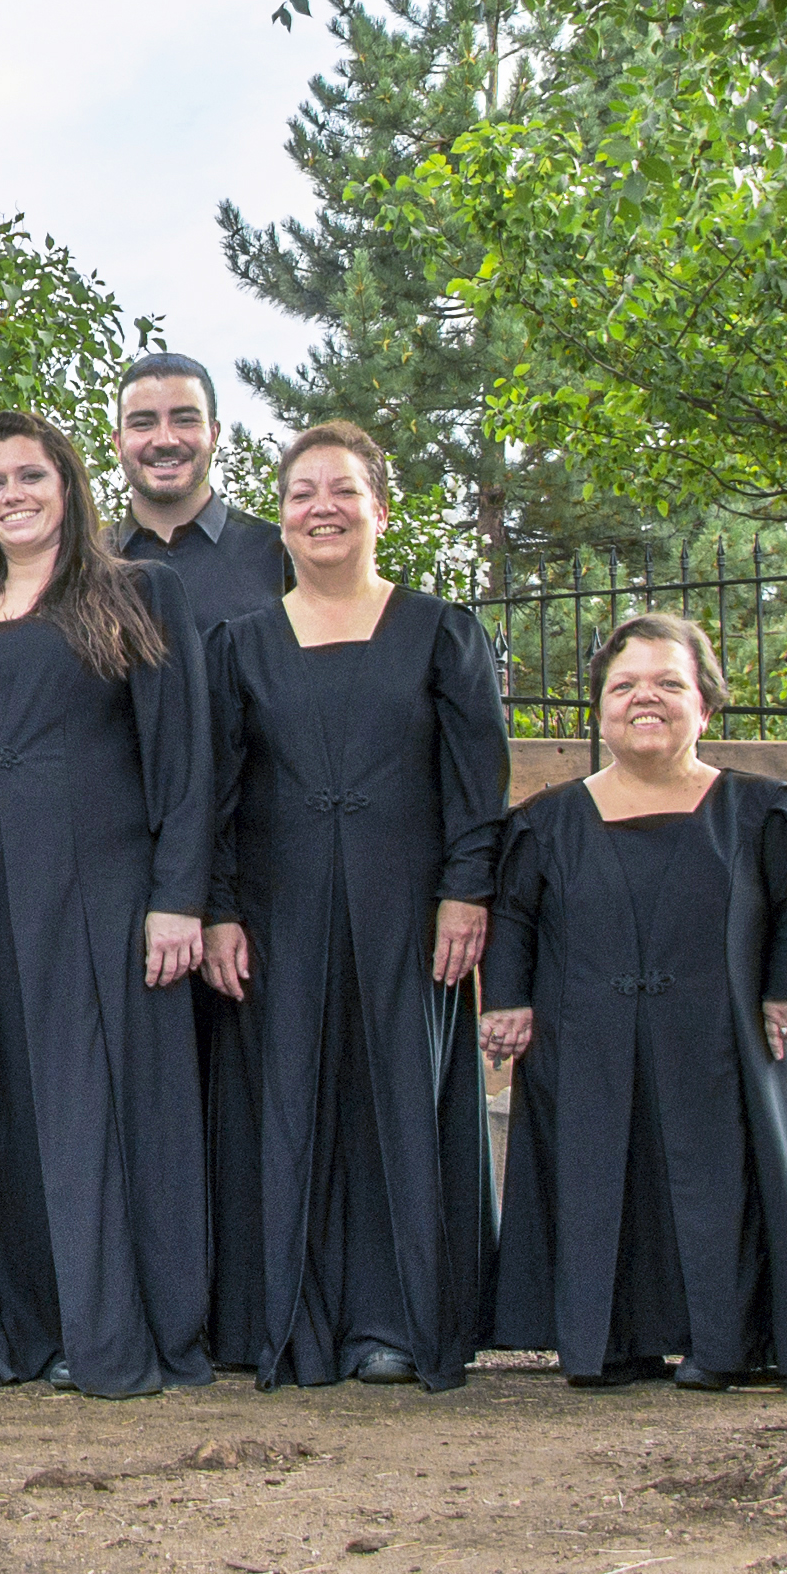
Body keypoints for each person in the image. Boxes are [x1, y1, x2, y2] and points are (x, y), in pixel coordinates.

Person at [0, 409, 213, 1395]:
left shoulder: (138, 594)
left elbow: (181, 758)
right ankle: (0, 1324)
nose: (14, 496)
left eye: (31, 477)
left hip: (98, 894)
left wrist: (176, 896)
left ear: (66, 485)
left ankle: (99, 1325)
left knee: (91, 1105)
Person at [198, 420, 507, 1391]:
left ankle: (395, 1322)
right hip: (277, 910)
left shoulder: (442, 632)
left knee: (396, 1105)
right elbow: (214, 791)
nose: (320, 508)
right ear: (280, 517)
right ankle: (290, 1322)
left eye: (341, 490)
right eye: (300, 493)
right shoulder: (238, 644)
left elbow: (476, 780)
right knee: (286, 1103)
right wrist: (215, 909)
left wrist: (466, 890)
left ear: (381, 507)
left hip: (404, 911)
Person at [483, 614, 787, 1390]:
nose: (643, 698)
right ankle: (610, 1343)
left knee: (721, 1183)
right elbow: (512, 913)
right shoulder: (547, 822)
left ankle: (723, 1347)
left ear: (706, 705)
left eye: (667, 683)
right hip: (585, 1043)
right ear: (600, 708)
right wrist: (507, 1002)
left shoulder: (763, 811)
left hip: (725, 1050)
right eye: (624, 686)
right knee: (599, 1181)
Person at [108, 351, 288, 647]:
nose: (165, 440)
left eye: (185, 420)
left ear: (214, 434)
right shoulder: (83, 564)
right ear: (118, 442)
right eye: (143, 423)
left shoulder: (279, 555)